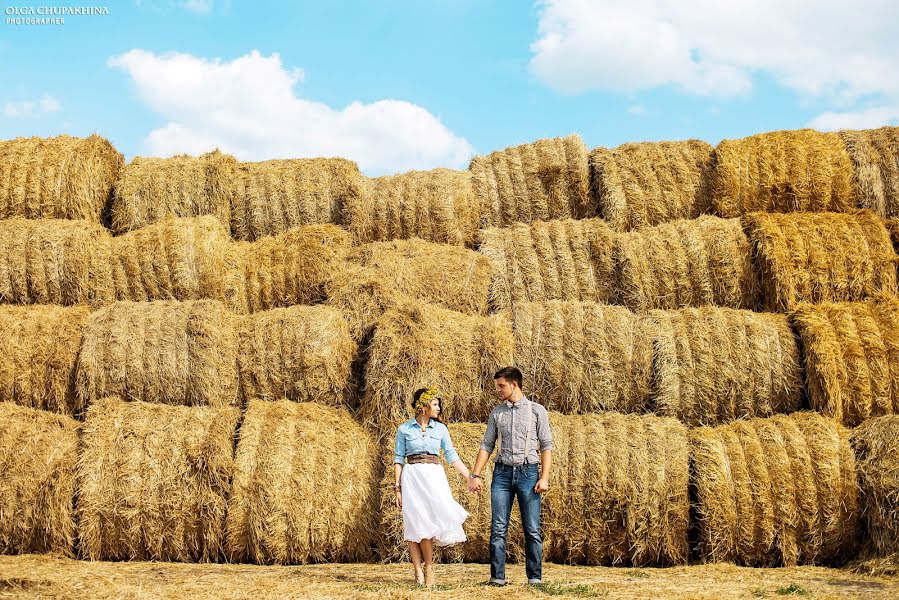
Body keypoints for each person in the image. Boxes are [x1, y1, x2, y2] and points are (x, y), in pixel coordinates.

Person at [467, 366, 553, 586]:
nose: (497, 390)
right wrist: (474, 474)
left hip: (528, 473)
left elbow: (546, 446)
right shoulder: (497, 413)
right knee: (498, 527)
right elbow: (486, 445)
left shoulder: (537, 411)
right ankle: (497, 577)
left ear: (514, 384)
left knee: (532, 528)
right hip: (502, 475)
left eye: (501, 385)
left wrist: (544, 477)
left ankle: (534, 578)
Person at [394, 387, 472, 586]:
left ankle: (429, 567)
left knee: (427, 524)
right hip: (412, 476)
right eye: (435, 404)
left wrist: (470, 476)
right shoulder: (404, 429)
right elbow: (398, 459)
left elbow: (451, 455)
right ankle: (418, 571)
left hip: (433, 476)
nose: (439, 408)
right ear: (423, 406)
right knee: (413, 523)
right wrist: (397, 488)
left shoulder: (440, 429)